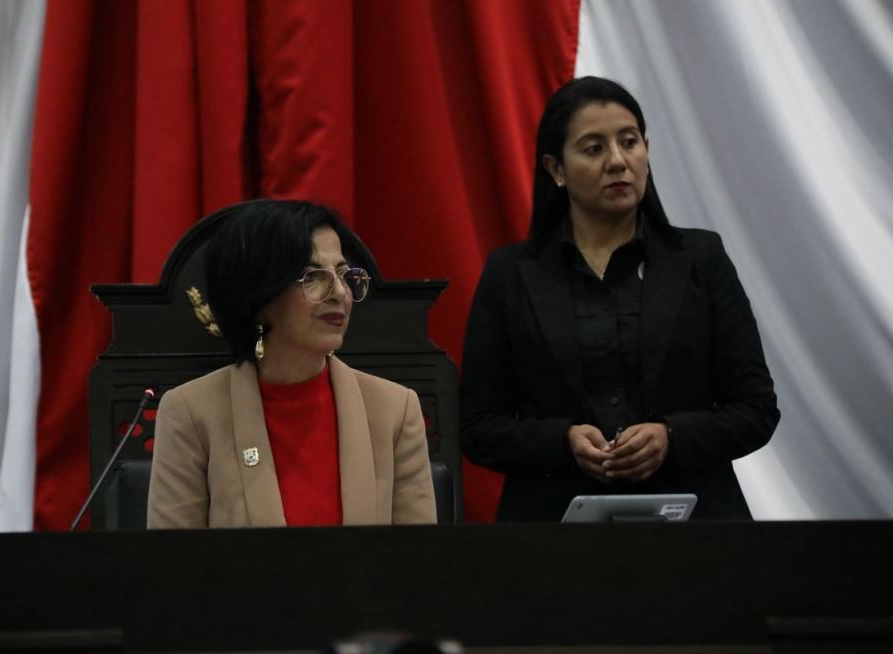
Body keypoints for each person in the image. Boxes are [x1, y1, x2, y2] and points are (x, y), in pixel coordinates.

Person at [460, 77, 780, 521]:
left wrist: (671, 436)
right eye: (594, 149)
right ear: (556, 169)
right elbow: (477, 428)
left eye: (629, 143)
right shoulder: (509, 274)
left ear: (646, 150)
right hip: (550, 529)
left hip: (696, 524)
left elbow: (756, 410)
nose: (617, 161)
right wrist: (562, 441)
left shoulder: (702, 259)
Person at [148, 199, 437, 528]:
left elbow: (419, 556)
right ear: (259, 294)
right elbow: (173, 558)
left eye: (344, 275)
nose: (340, 293)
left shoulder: (395, 411)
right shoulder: (190, 413)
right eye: (312, 276)